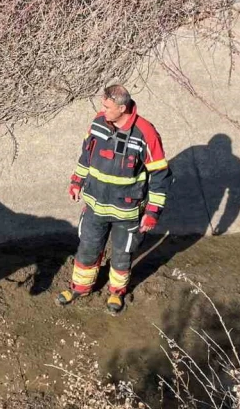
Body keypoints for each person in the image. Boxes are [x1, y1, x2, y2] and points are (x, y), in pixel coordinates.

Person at [57, 84, 171, 314]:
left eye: (107, 106)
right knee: (87, 249)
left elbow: (160, 175)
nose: (102, 109)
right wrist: (77, 181)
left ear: (122, 107)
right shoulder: (98, 122)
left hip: (127, 213)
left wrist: (152, 212)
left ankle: (116, 293)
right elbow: (86, 155)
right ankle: (80, 287)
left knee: (122, 255)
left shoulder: (146, 133)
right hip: (95, 207)